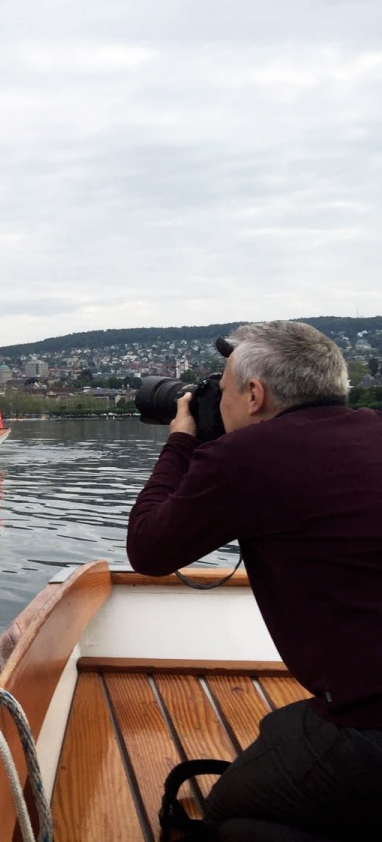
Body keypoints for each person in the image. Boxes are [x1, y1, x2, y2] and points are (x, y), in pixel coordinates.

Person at [127, 320, 382, 839]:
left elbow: (148, 550)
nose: (212, 405)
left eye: (220, 393)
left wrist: (180, 441)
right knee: (280, 730)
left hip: (370, 726)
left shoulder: (247, 456)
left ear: (255, 394)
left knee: (228, 814)